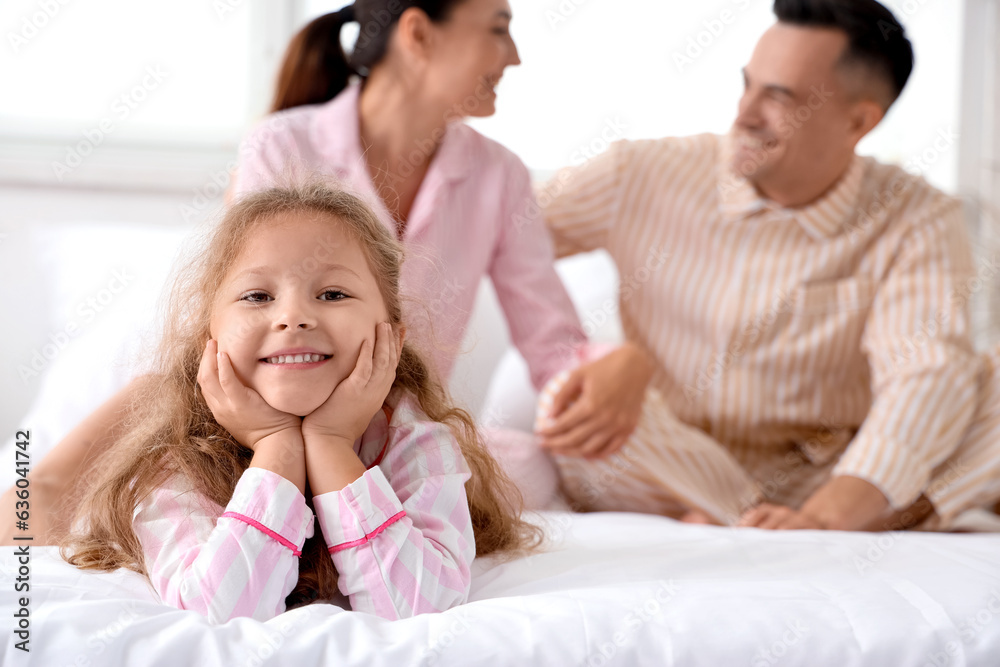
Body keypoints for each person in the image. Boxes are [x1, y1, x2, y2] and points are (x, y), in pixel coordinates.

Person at [2, 0, 608, 545]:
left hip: (383, 424)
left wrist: (615, 368)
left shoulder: (498, 175)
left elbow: (556, 349)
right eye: (498, 30)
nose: (515, 56)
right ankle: (45, 492)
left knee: (529, 465)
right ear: (419, 34)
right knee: (140, 437)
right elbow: (251, 319)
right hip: (251, 410)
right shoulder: (283, 145)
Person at [534, 0, 1000, 532]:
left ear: (858, 121)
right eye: (746, 85)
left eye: (777, 97)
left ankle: (788, 525)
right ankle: (769, 523)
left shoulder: (917, 216)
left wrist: (830, 510)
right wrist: (618, 360)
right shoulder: (636, 173)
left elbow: (925, 371)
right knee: (565, 397)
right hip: (671, 464)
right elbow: (491, 228)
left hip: (828, 481)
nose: (744, 115)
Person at [61, 184, 538, 623]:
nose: (293, 317)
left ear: (391, 336)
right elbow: (219, 614)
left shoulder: (416, 441)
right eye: (257, 295)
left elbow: (416, 607)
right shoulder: (180, 460)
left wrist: (330, 444)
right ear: (211, 338)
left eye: (332, 293)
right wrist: (276, 448)